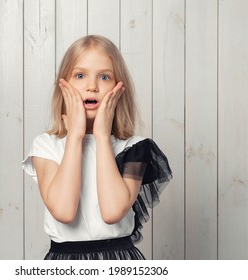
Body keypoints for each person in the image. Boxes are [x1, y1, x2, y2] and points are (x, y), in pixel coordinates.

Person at [23, 35, 172, 260]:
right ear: (64, 85)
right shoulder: (46, 145)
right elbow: (63, 211)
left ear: (119, 87)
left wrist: (102, 137)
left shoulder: (134, 147)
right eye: (80, 75)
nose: (92, 86)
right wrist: (75, 136)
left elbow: (112, 212)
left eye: (104, 77)